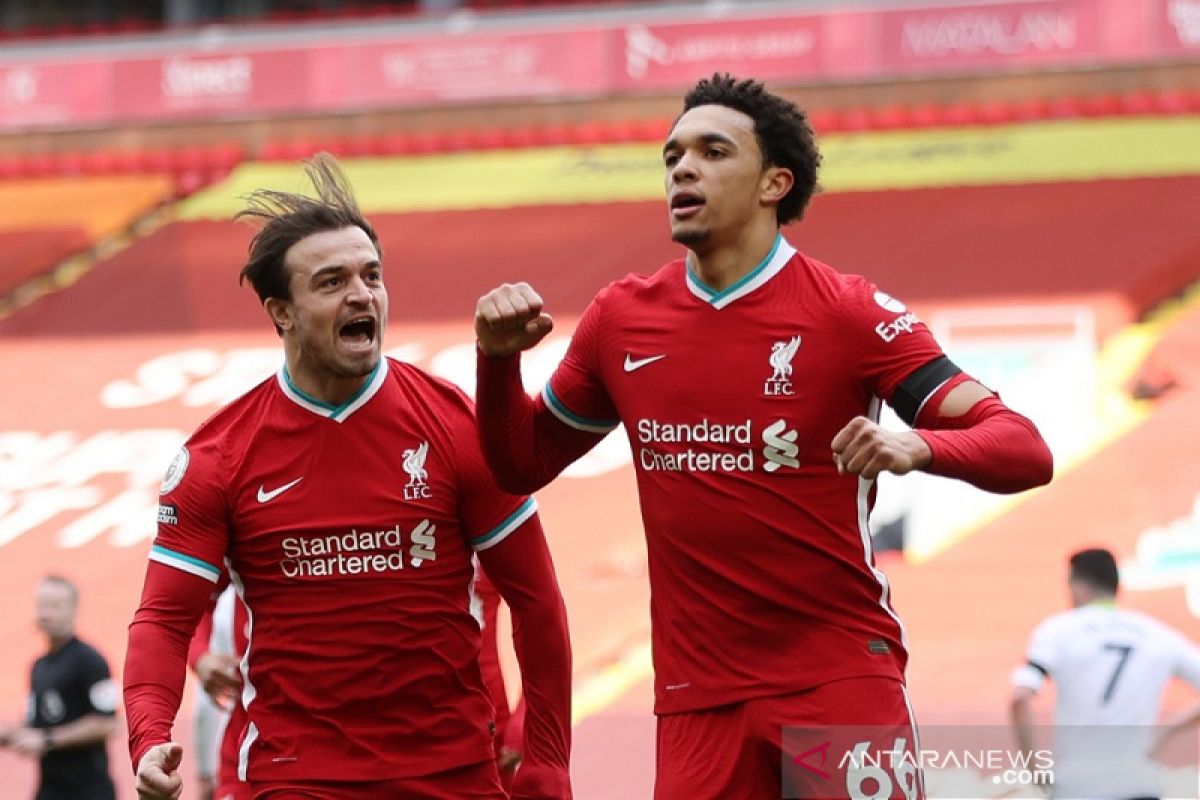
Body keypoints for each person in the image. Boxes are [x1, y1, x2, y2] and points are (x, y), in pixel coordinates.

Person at [473, 73, 1054, 798]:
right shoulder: (620, 319)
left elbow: (1025, 448)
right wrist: (497, 363)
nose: (682, 168)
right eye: (673, 155)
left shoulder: (849, 313)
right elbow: (519, 461)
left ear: (775, 182)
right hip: (695, 700)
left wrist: (921, 445)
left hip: (837, 683)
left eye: (714, 152)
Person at [124, 153, 572, 799]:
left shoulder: (455, 426)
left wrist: (548, 759)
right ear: (282, 313)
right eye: (332, 282)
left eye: (371, 276)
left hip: (452, 775)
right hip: (293, 779)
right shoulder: (218, 458)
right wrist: (148, 735)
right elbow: (163, 621)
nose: (362, 295)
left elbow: (535, 599)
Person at [1010, 548, 1200, 799]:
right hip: (1139, 783)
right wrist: (1167, 729)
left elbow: (1019, 698)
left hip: (1078, 787)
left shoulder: (1058, 631)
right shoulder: (1159, 635)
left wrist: (1034, 770)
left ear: (1077, 586)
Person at [0, 575, 118, 800]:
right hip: (50, 790)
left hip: (89, 791)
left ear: (73, 611)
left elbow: (107, 723)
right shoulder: (38, 666)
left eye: (55, 606)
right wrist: (9, 735)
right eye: (42, 605)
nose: (45, 614)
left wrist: (48, 740)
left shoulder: (91, 661)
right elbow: (36, 724)